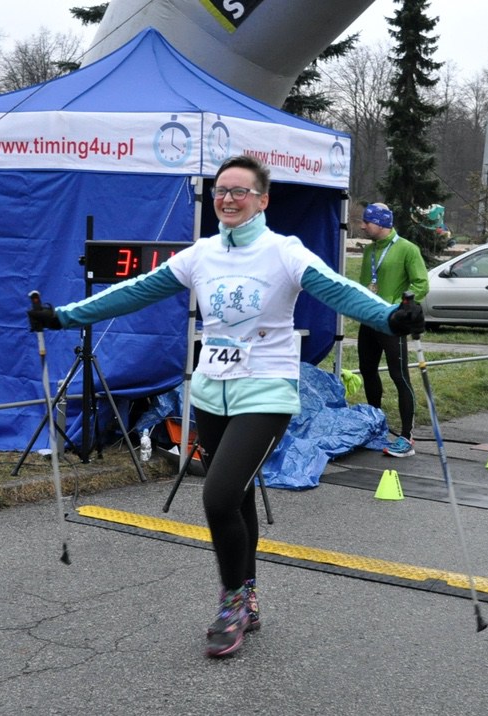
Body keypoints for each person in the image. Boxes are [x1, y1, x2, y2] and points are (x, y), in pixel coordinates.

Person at [28, 154, 424, 658]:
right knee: (237, 498)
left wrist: (391, 318)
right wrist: (63, 317)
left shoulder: (284, 251)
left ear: (262, 200)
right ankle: (249, 596)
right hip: (212, 393)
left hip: (267, 393)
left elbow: (341, 291)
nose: (228, 199)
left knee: (217, 497)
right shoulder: (202, 254)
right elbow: (134, 292)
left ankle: (232, 601)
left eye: (240, 191)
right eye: (221, 190)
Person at [357, 202, 428, 458]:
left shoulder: (407, 249)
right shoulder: (370, 250)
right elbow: (365, 284)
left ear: (380, 223)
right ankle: (376, 427)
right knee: (368, 372)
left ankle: (407, 437)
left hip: (391, 322)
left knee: (400, 377)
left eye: (366, 222)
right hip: (369, 321)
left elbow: (421, 284)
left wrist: (400, 308)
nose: (362, 226)